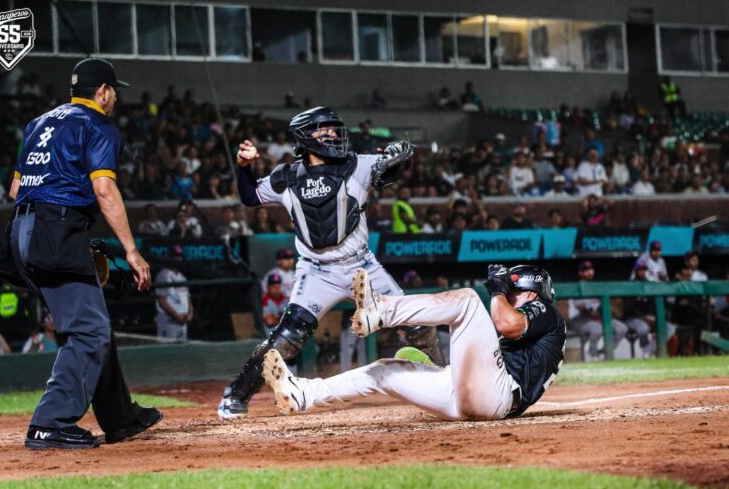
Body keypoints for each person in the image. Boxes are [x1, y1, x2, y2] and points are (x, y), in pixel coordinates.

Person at [220, 106, 443, 419]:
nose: (333, 135)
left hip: (362, 266)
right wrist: (244, 167)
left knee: (418, 322)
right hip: (317, 271)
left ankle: (443, 378)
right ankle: (235, 395)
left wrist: (399, 151)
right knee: (287, 338)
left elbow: (392, 164)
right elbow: (249, 196)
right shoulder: (286, 176)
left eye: (335, 130)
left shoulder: (356, 165)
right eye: (324, 130)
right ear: (304, 136)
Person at [0, 58, 161, 450]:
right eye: (114, 90)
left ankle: (120, 418)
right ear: (101, 91)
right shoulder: (98, 125)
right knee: (89, 329)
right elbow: (104, 191)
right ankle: (49, 423)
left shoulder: (39, 123)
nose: (116, 97)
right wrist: (132, 252)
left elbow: (15, 191)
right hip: (53, 231)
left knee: (92, 322)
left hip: (21, 232)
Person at [262, 264, 565, 421]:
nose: (508, 296)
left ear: (531, 292)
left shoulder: (547, 313)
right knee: (384, 371)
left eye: (514, 291)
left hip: (499, 396)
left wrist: (498, 291)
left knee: (470, 301)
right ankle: (302, 394)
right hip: (471, 396)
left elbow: (505, 323)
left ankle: (380, 310)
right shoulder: (531, 324)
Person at [567, 261, 629, 361]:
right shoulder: (577, 287)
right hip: (580, 320)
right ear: (580, 273)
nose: (589, 272)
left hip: (597, 318)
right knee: (597, 329)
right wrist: (598, 317)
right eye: (586, 270)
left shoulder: (596, 286)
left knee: (622, 328)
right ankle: (592, 355)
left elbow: (602, 307)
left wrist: (606, 314)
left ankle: (605, 351)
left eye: (591, 269)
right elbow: (583, 310)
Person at [154, 246, 192, 340]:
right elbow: (161, 300)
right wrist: (175, 315)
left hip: (182, 320)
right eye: (175, 257)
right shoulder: (163, 275)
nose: (178, 259)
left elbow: (188, 298)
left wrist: (190, 313)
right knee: (168, 352)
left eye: (180, 257)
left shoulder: (182, 277)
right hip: (168, 320)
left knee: (181, 352)